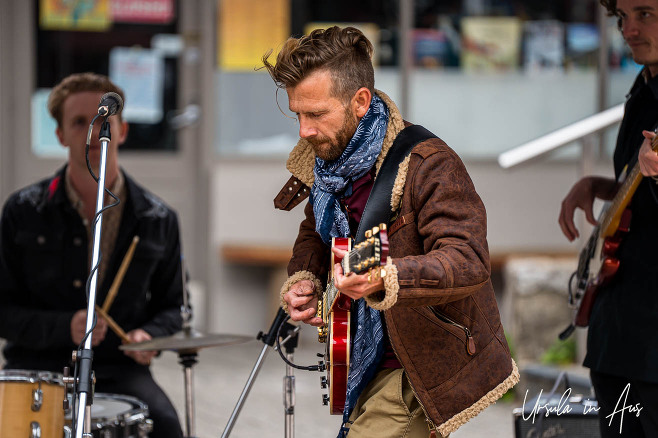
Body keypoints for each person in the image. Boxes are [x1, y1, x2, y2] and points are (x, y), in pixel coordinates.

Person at [264, 27, 518, 438]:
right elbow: (315, 229)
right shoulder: (329, 162)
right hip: (362, 365)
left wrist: (386, 275)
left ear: (360, 101)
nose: (303, 131)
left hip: (416, 367)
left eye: (315, 114)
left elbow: (468, 260)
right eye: (298, 114)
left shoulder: (429, 164)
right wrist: (305, 279)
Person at [0, 72, 184, 438]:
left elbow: (175, 307)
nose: (93, 130)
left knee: (166, 423)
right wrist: (64, 326)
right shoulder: (23, 210)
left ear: (123, 129)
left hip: (119, 367)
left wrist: (150, 335)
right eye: (79, 122)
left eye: (103, 120)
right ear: (60, 135)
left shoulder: (158, 218)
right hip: (36, 365)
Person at [559, 1, 658, 436]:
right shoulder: (643, 83)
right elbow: (636, 182)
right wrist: (600, 186)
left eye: (646, 14)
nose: (629, 29)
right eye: (622, 18)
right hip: (618, 332)